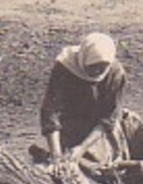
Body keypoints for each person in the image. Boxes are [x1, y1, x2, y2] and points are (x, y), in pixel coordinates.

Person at [36, 32, 129, 166]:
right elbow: (51, 112)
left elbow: (108, 118)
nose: (97, 72)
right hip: (71, 123)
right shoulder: (65, 67)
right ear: (83, 58)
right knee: (64, 162)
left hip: (98, 130)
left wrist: (82, 148)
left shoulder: (115, 74)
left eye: (102, 68)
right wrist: (56, 154)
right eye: (92, 66)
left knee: (100, 165)